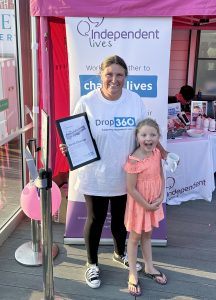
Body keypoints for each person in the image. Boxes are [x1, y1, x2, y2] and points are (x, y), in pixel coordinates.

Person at [60, 55, 167, 289]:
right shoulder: (87, 102)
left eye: (119, 75)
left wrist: (162, 150)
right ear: (101, 75)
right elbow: (76, 134)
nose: (114, 79)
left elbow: (145, 132)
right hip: (95, 175)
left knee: (120, 220)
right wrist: (69, 146)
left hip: (126, 176)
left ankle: (120, 253)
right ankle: (92, 264)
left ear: (125, 77)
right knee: (96, 219)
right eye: (109, 74)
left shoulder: (134, 100)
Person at [124, 118, 167, 297]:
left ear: (158, 137)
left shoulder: (157, 153)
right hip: (140, 205)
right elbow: (131, 189)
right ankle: (133, 272)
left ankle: (149, 266)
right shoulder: (134, 161)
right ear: (137, 137)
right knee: (135, 238)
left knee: (148, 235)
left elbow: (161, 175)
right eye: (144, 135)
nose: (148, 138)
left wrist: (161, 195)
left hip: (154, 202)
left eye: (153, 135)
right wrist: (147, 205)